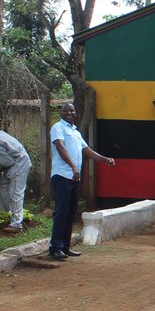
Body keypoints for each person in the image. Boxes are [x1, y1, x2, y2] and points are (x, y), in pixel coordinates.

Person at [48, 103, 116, 260]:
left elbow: (86, 151)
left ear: (75, 113)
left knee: (71, 212)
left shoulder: (75, 132)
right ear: (61, 113)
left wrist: (104, 159)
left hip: (73, 177)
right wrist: (73, 166)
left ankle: (65, 247)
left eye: (71, 110)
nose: (69, 112)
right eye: (65, 110)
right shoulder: (58, 128)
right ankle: (55, 247)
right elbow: (60, 147)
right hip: (62, 175)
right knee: (62, 212)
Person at [0, 129, 32, 234]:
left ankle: (16, 225)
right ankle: (5, 216)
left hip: (20, 163)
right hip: (14, 163)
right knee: (3, 187)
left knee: (15, 192)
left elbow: (8, 161)